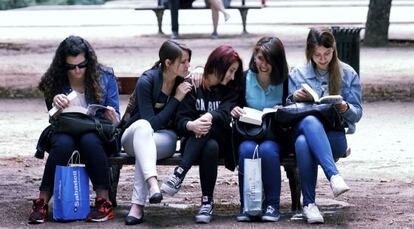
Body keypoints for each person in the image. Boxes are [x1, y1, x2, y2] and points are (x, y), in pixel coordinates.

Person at [30, 35, 120, 224]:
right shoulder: (54, 79)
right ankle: (41, 201)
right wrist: (55, 104)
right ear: (63, 65)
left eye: (81, 65)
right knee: (62, 143)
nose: (77, 70)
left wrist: (112, 117)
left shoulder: (105, 76)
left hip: (96, 132)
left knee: (89, 140)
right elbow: (53, 118)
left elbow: (116, 118)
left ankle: (103, 201)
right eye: (71, 67)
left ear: (89, 61)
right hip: (66, 131)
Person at [161, 45, 243, 224]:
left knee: (210, 129)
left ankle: (179, 173)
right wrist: (191, 125)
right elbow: (180, 120)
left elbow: (224, 112)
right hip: (196, 144)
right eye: (230, 71)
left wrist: (206, 117)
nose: (232, 76)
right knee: (209, 146)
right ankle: (207, 202)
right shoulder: (193, 85)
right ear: (219, 66)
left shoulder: (230, 89)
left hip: (224, 142)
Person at [288, 27, 363, 224]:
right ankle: (333, 176)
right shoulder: (298, 74)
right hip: (302, 126)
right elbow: (287, 111)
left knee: (304, 144)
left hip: (333, 136)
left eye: (327, 54)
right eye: (317, 55)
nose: (322, 59)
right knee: (310, 122)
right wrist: (293, 97)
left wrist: (345, 107)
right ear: (310, 52)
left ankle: (309, 205)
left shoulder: (347, 73)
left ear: (334, 50)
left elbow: (357, 114)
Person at [120, 40, 196, 225]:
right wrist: (176, 99)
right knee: (144, 129)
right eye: (183, 62)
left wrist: (200, 69)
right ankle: (152, 184)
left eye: (189, 61)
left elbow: (203, 73)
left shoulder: (183, 82)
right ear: (168, 63)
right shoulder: (147, 81)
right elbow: (150, 123)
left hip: (164, 140)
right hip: (132, 135)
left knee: (144, 149)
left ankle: (137, 207)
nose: (188, 66)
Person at [230, 37, 289, 222]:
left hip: (275, 134)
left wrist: (284, 110)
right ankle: (248, 205)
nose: (263, 64)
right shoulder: (244, 78)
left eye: (269, 60)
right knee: (246, 150)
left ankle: (272, 205)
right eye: (260, 58)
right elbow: (232, 104)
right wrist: (235, 109)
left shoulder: (284, 81)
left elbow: (293, 107)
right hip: (248, 132)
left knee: (268, 151)